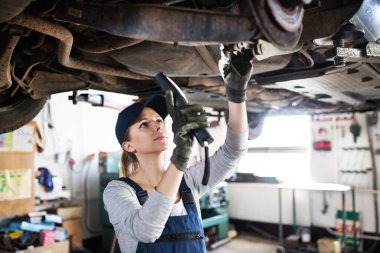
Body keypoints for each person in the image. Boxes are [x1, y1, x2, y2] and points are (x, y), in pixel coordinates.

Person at [103, 46, 254, 253]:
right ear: (129, 146)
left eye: (158, 120)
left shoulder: (187, 182)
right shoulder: (118, 190)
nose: (157, 125)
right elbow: (146, 231)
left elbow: (233, 152)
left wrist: (236, 94)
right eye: (143, 124)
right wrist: (180, 157)